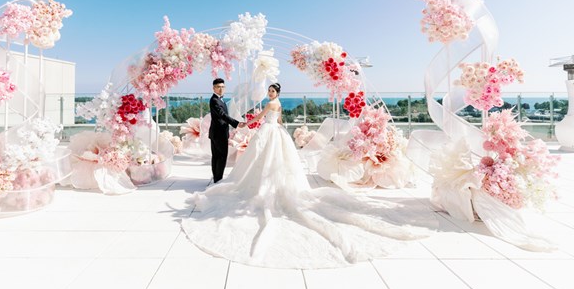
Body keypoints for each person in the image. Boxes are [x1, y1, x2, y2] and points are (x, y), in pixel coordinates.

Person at [182, 83, 436, 269]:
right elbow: (279, 120)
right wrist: (256, 124)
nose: (270, 95)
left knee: (262, 160)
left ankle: (250, 184)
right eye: (269, 92)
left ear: (276, 94)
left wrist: (247, 122)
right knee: (270, 160)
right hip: (275, 132)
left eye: (272, 92)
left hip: (267, 131)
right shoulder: (278, 104)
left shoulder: (271, 104)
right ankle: (251, 180)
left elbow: (261, 117)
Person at [208, 78, 245, 183]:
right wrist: (237, 123)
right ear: (213, 88)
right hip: (218, 133)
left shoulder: (219, 99)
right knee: (221, 157)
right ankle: (218, 180)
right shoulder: (215, 100)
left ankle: (216, 179)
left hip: (216, 132)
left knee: (216, 157)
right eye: (218, 87)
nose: (221, 89)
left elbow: (223, 116)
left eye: (223, 87)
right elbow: (223, 115)